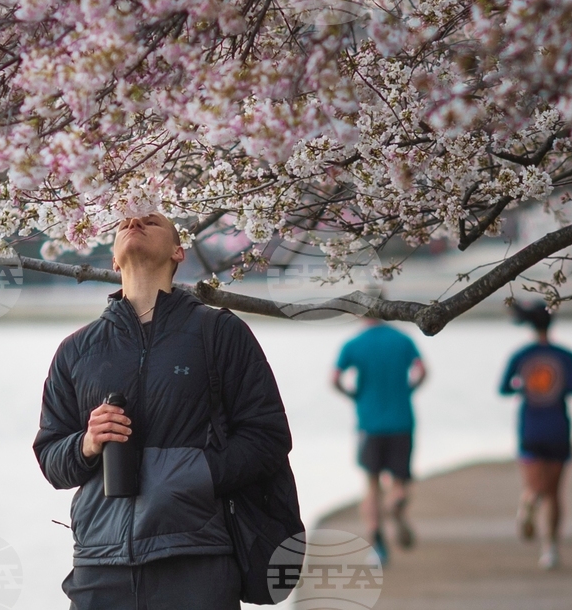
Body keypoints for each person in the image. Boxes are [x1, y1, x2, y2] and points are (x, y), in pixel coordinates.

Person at [33, 212, 293, 610]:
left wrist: (190, 477)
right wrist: (87, 444)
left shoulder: (219, 332)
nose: (134, 222)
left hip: (197, 558)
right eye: (124, 223)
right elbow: (52, 460)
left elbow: (267, 437)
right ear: (114, 261)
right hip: (99, 564)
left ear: (178, 252)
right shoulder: (76, 350)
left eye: (151, 221)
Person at [333, 309, 427, 564]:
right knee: (400, 481)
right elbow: (422, 370)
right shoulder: (403, 340)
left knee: (372, 484)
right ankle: (397, 503)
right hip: (401, 421)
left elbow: (335, 378)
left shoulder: (355, 343)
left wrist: (355, 396)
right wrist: (408, 390)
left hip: (370, 424)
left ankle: (378, 545)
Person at [498, 302, 572, 571]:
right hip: (558, 427)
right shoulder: (566, 355)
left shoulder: (521, 355)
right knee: (555, 493)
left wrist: (524, 386)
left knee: (535, 487)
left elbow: (503, 389)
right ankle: (551, 548)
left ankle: (527, 504)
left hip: (530, 428)